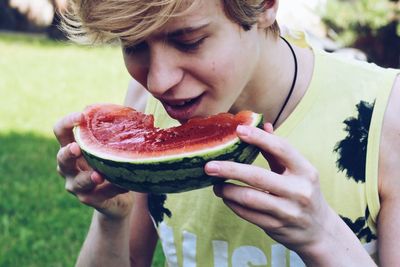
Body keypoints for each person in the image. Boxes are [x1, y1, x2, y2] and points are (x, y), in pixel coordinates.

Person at [53, 0, 400, 266]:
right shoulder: (147, 103)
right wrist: (112, 216)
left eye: (189, 41)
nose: (158, 81)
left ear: (264, 5)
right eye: (133, 45)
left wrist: (323, 234)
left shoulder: (385, 117)